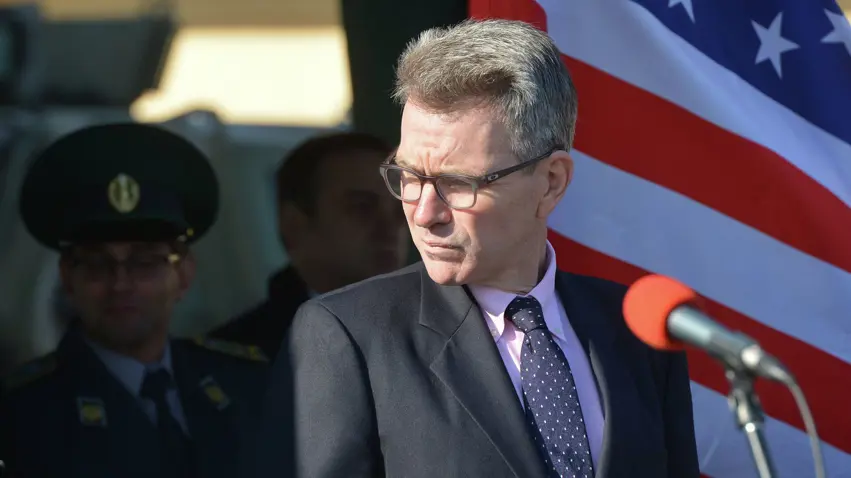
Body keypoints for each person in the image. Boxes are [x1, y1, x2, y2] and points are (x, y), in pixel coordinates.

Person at [260, 18, 700, 478]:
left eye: (457, 183)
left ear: (551, 182)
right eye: (409, 176)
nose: (424, 213)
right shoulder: (348, 336)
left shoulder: (639, 332)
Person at [1, 123, 270, 478]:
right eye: (97, 264)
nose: (121, 284)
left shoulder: (248, 386)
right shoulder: (21, 413)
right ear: (68, 277)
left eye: (145, 263)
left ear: (183, 274)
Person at [209, 131, 409, 360]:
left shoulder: (431, 335)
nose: (390, 228)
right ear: (295, 226)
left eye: (400, 209)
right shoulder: (231, 360)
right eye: (362, 207)